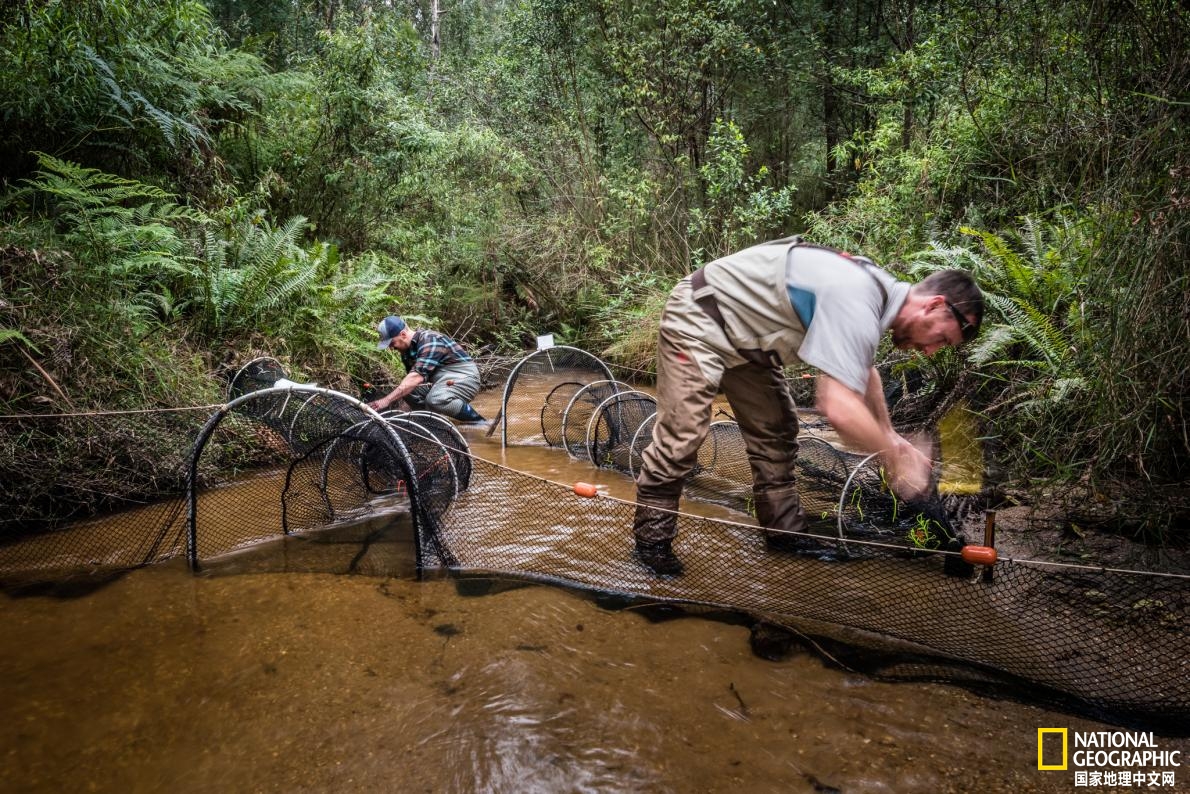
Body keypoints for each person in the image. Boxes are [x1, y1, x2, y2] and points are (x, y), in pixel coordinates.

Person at [632, 236, 983, 576]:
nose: (932, 350)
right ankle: (652, 547)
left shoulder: (876, 293)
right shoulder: (857, 297)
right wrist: (893, 456)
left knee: (778, 432)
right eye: (941, 339)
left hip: (746, 343)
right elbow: (839, 407)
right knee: (682, 437)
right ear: (934, 305)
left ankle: (786, 535)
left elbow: (864, 369)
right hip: (698, 318)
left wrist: (890, 434)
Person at [368, 315, 486, 422]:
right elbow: (411, 384)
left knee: (435, 399)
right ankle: (429, 420)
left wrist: (386, 400)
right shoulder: (406, 352)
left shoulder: (430, 340)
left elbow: (416, 377)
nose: (391, 348)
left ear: (403, 334)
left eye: (392, 343)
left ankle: (478, 422)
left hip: (465, 376)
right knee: (409, 392)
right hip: (442, 379)